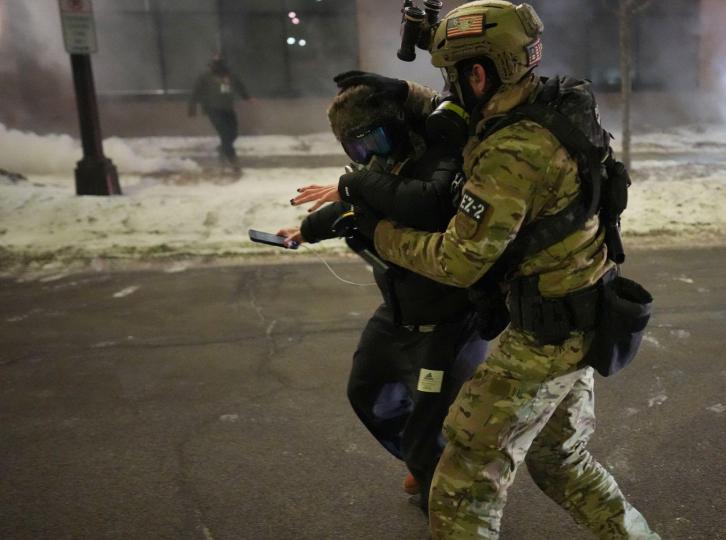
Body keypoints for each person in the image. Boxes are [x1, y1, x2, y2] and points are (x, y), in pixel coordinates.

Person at [340, 2, 659, 537]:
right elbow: (469, 118)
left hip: (545, 339)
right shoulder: (551, 103)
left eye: (452, 76)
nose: (447, 90)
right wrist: (408, 96)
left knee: (463, 481)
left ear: (480, 74)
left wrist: (376, 233)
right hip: (584, 315)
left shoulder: (513, 150)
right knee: (561, 463)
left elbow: (457, 260)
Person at [276, 80, 486, 511]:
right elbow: (358, 205)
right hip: (398, 309)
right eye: (355, 148)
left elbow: (422, 205)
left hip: (447, 319)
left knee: (429, 425)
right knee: (366, 392)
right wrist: (306, 231)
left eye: (374, 138)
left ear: (397, 125)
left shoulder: (440, 153)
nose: (368, 154)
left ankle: (453, 499)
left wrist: (352, 185)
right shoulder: (384, 163)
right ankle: (426, 460)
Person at [188, 55, 251, 176]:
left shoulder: (229, 76)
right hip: (213, 110)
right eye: (212, 65)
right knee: (225, 134)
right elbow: (196, 91)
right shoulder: (205, 77)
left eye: (215, 66)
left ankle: (222, 150)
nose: (212, 68)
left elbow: (239, 85)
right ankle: (234, 163)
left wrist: (247, 97)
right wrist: (192, 107)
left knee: (233, 134)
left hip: (228, 109)